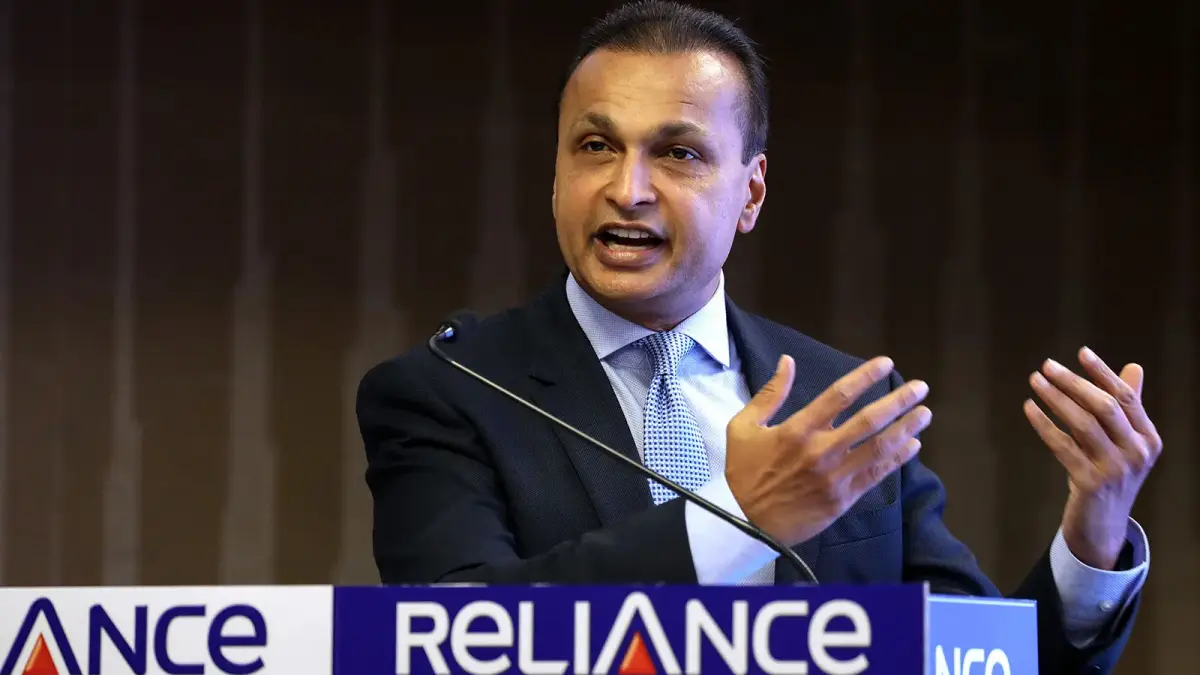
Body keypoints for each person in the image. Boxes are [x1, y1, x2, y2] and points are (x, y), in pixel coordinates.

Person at [356, 2, 1157, 672]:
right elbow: (450, 635)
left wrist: (1093, 538)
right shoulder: (449, 389)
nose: (627, 189)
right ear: (558, 173)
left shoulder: (843, 402)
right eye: (596, 146)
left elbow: (976, 659)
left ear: (751, 192)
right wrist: (738, 519)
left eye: (678, 153)